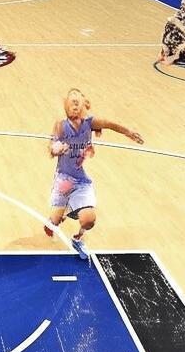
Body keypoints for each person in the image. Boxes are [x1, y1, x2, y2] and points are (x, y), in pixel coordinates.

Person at [44, 89, 144, 260]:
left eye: (78, 101)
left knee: (89, 220)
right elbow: (51, 146)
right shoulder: (61, 125)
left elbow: (110, 123)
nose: (75, 104)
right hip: (64, 179)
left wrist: (128, 131)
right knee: (54, 222)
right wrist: (55, 149)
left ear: (83, 105)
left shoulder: (90, 122)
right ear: (66, 105)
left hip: (80, 180)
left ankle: (77, 238)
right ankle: (59, 216)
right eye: (72, 101)